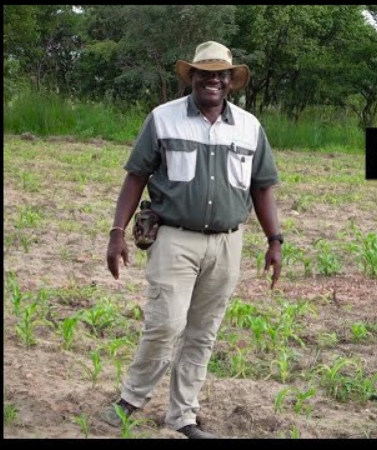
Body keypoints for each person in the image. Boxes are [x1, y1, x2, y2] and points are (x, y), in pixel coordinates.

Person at [102, 41, 283, 439]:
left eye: (221, 74)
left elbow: (263, 187)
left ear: (230, 81)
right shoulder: (163, 119)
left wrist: (275, 240)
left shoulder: (250, 127)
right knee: (165, 324)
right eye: (205, 73)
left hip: (226, 244)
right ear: (193, 78)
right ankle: (131, 398)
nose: (213, 80)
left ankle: (183, 415)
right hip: (174, 239)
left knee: (203, 332)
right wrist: (117, 233)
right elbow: (136, 176)